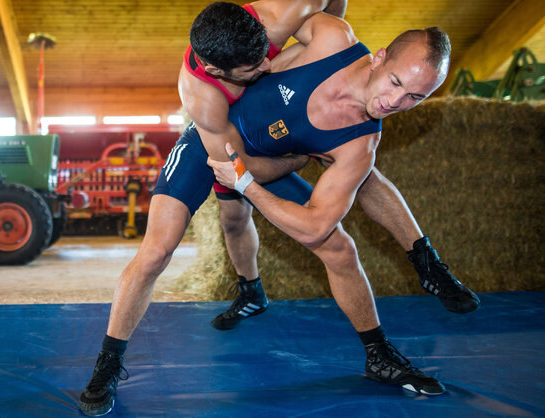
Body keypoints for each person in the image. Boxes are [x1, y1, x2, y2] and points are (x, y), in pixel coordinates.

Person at [78, 4, 455, 416]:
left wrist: (286, 162)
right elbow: (241, 166)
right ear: (218, 69)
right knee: (157, 251)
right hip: (214, 147)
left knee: (336, 247)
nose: (262, 67)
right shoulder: (201, 95)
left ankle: (376, 350)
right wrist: (296, 160)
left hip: (269, 153)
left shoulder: (297, 30)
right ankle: (107, 364)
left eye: (415, 96)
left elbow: (315, 222)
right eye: (250, 68)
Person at [179, 1, 477, 332]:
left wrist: (280, 166)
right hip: (229, 136)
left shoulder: (362, 141)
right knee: (232, 221)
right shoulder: (329, 37)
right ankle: (251, 291)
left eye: (415, 97)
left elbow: (294, 207)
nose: (396, 102)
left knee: (360, 180)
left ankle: (426, 262)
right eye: (395, 82)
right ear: (379, 59)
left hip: (276, 154)